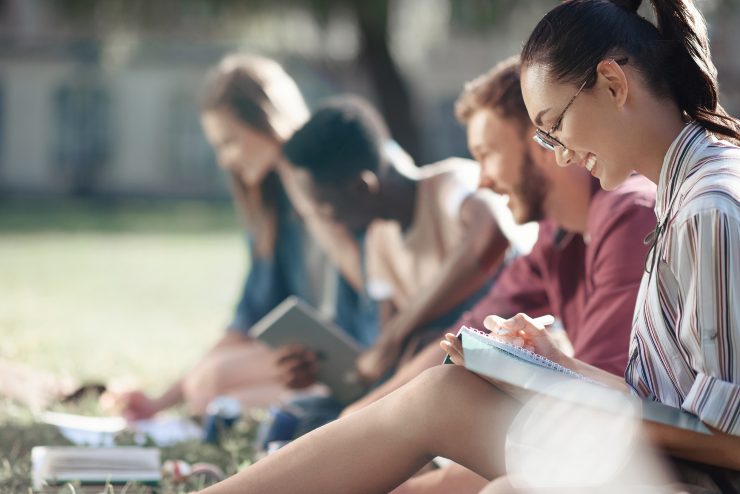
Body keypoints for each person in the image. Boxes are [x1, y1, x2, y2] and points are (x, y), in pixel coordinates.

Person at [197, 0, 740, 489]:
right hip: (663, 465)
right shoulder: (684, 195)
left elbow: (728, 439)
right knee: (445, 397)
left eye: (554, 127)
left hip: (686, 480)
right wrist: (553, 365)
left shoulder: (708, 209)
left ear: (613, 84)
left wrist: (553, 390)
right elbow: (674, 404)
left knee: (484, 456)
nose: (560, 156)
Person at [114, 54, 372, 419]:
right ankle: (298, 405)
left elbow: (371, 284)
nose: (224, 160)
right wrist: (159, 402)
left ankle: (322, 405)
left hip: (363, 352)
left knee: (212, 381)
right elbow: (246, 322)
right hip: (307, 359)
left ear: (268, 120)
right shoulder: (272, 207)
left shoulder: (340, 183)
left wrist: (300, 185)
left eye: (230, 142)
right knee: (206, 383)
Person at [281, 96, 517, 385]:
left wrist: (397, 335)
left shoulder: (450, 184)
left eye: (323, 207)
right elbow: (388, 348)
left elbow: (490, 236)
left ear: (361, 187)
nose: (324, 220)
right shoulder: (379, 241)